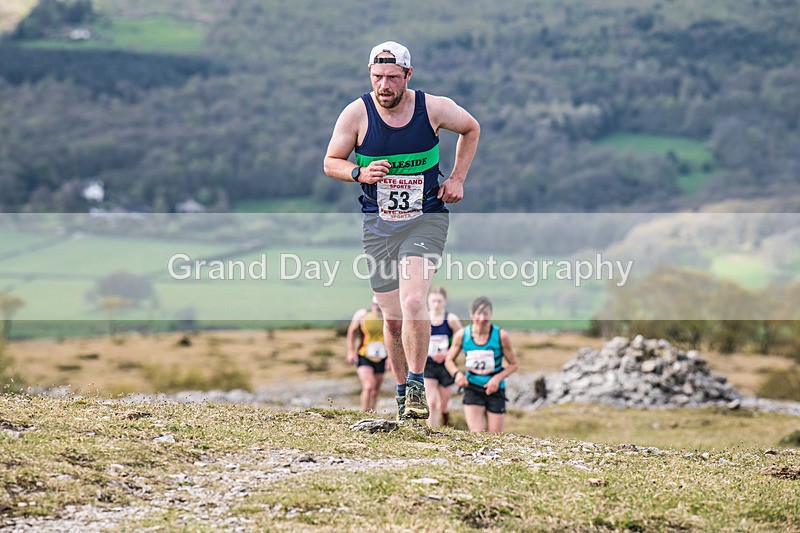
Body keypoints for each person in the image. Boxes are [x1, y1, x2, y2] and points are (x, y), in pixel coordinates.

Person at [324, 41, 480, 420]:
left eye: (393, 77)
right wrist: (359, 172)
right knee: (392, 320)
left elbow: (471, 128)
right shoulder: (356, 114)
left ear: (408, 75)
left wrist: (457, 178)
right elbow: (331, 162)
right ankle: (401, 396)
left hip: (426, 218)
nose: (384, 85)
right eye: (377, 76)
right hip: (378, 227)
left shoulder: (433, 108)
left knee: (413, 303)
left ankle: (416, 385)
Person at [445, 296, 518, 433]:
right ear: (472, 314)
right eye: (478, 314)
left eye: (486, 314)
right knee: (477, 434)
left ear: (491, 315)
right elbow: (449, 360)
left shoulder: (501, 336)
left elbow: (513, 364)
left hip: (495, 389)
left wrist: (497, 379)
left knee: (495, 436)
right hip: (472, 387)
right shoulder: (462, 335)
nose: (482, 318)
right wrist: (457, 375)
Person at [424, 286, 462, 427]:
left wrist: (448, 353)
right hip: (428, 365)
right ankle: (431, 433)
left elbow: (462, 339)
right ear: (428, 301)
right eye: (433, 301)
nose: (436, 304)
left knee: (443, 405)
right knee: (432, 402)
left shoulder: (451, 319)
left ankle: (445, 424)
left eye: (439, 301)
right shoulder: (423, 319)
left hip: (446, 366)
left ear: (444, 301)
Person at [346, 297, 389, 412]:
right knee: (369, 386)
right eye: (376, 304)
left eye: (380, 305)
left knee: (375, 390)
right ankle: (363, 413)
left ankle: (372, 414)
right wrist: (350, 351)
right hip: (364, 355)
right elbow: (351, 332)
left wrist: (391, 359)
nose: (378, 307)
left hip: (382, 357)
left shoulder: (389, 317)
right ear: (372, 304)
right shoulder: (362, 315)